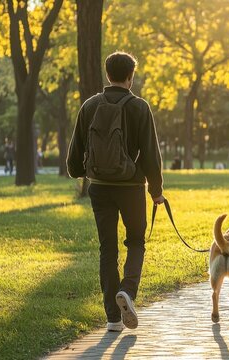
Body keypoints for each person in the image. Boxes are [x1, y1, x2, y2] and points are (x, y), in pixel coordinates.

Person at [67, 51, 164, 332]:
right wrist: (156, 191)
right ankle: (128, 292)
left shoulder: (90, 105)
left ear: (107, 74)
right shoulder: (139, 107)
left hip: (99, 189)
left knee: (107, 249)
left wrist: (79, 172)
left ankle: (112, 317)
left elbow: (75, 154)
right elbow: (150, 154)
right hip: (132, 188)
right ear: (130, 77)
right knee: (136, 242)